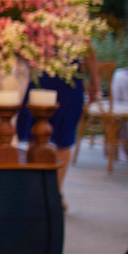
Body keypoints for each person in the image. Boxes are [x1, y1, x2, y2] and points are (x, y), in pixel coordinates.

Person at [16, 50, 100, 186]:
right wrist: (95, 82)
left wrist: (95, 82)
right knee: (37, 133)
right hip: (43, 75)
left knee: (59, 136)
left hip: (65, 79)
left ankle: (52, 192)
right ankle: (44, 191)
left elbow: (89, 51)